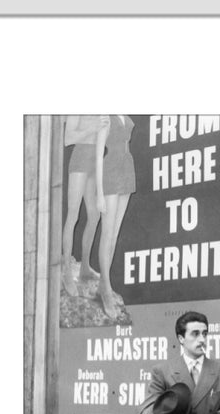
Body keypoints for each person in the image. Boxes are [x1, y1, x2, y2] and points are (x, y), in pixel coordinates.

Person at [62, 115, 109, 296]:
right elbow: (68, 139)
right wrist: (93, 128)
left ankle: (85, 267)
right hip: (80, 158)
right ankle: (67, 271)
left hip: (96, 160)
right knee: (73, 214)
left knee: (94, 215)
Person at [95, 115, 136, 318]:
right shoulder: (105, 116)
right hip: (110, 171)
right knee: (107, 234)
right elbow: (98, 155)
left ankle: (104, 284)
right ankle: (106, 290)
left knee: (114, 235)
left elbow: (126, 143)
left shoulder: (126, 116)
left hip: (127, 169)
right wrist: (100, 194)